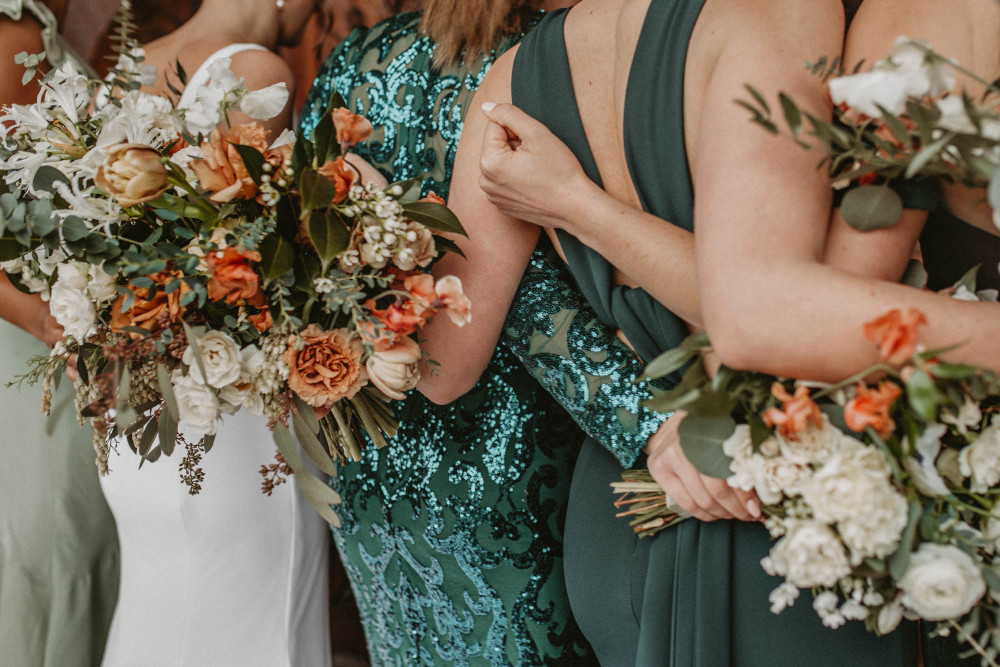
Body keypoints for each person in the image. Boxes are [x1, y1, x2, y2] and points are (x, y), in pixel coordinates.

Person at [412, 0, 1000, 663]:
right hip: (769, 498)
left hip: (622, 511)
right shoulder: (776, 16)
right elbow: (768, 307)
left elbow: (444, 366)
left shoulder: (510, 79)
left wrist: (369, 257)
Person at [297, 0, 681, 662]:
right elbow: (531, 302)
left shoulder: (354, 60)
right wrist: (653, 426)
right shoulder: (554, 62)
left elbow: (304, 251)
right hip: (506, 470)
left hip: (372, 463)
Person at [96, 1, 334, 665]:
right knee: (258, 633)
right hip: (222, 420)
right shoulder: (254, 71)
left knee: (155, 615)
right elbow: (245, 256)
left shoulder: (131, 65)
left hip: (135, 409)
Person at [0, 1, 120, 664]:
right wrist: (38, 316)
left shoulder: (41, 19)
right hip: (37, 343)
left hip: (57, 333)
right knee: (53, 543)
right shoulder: (11, 26)